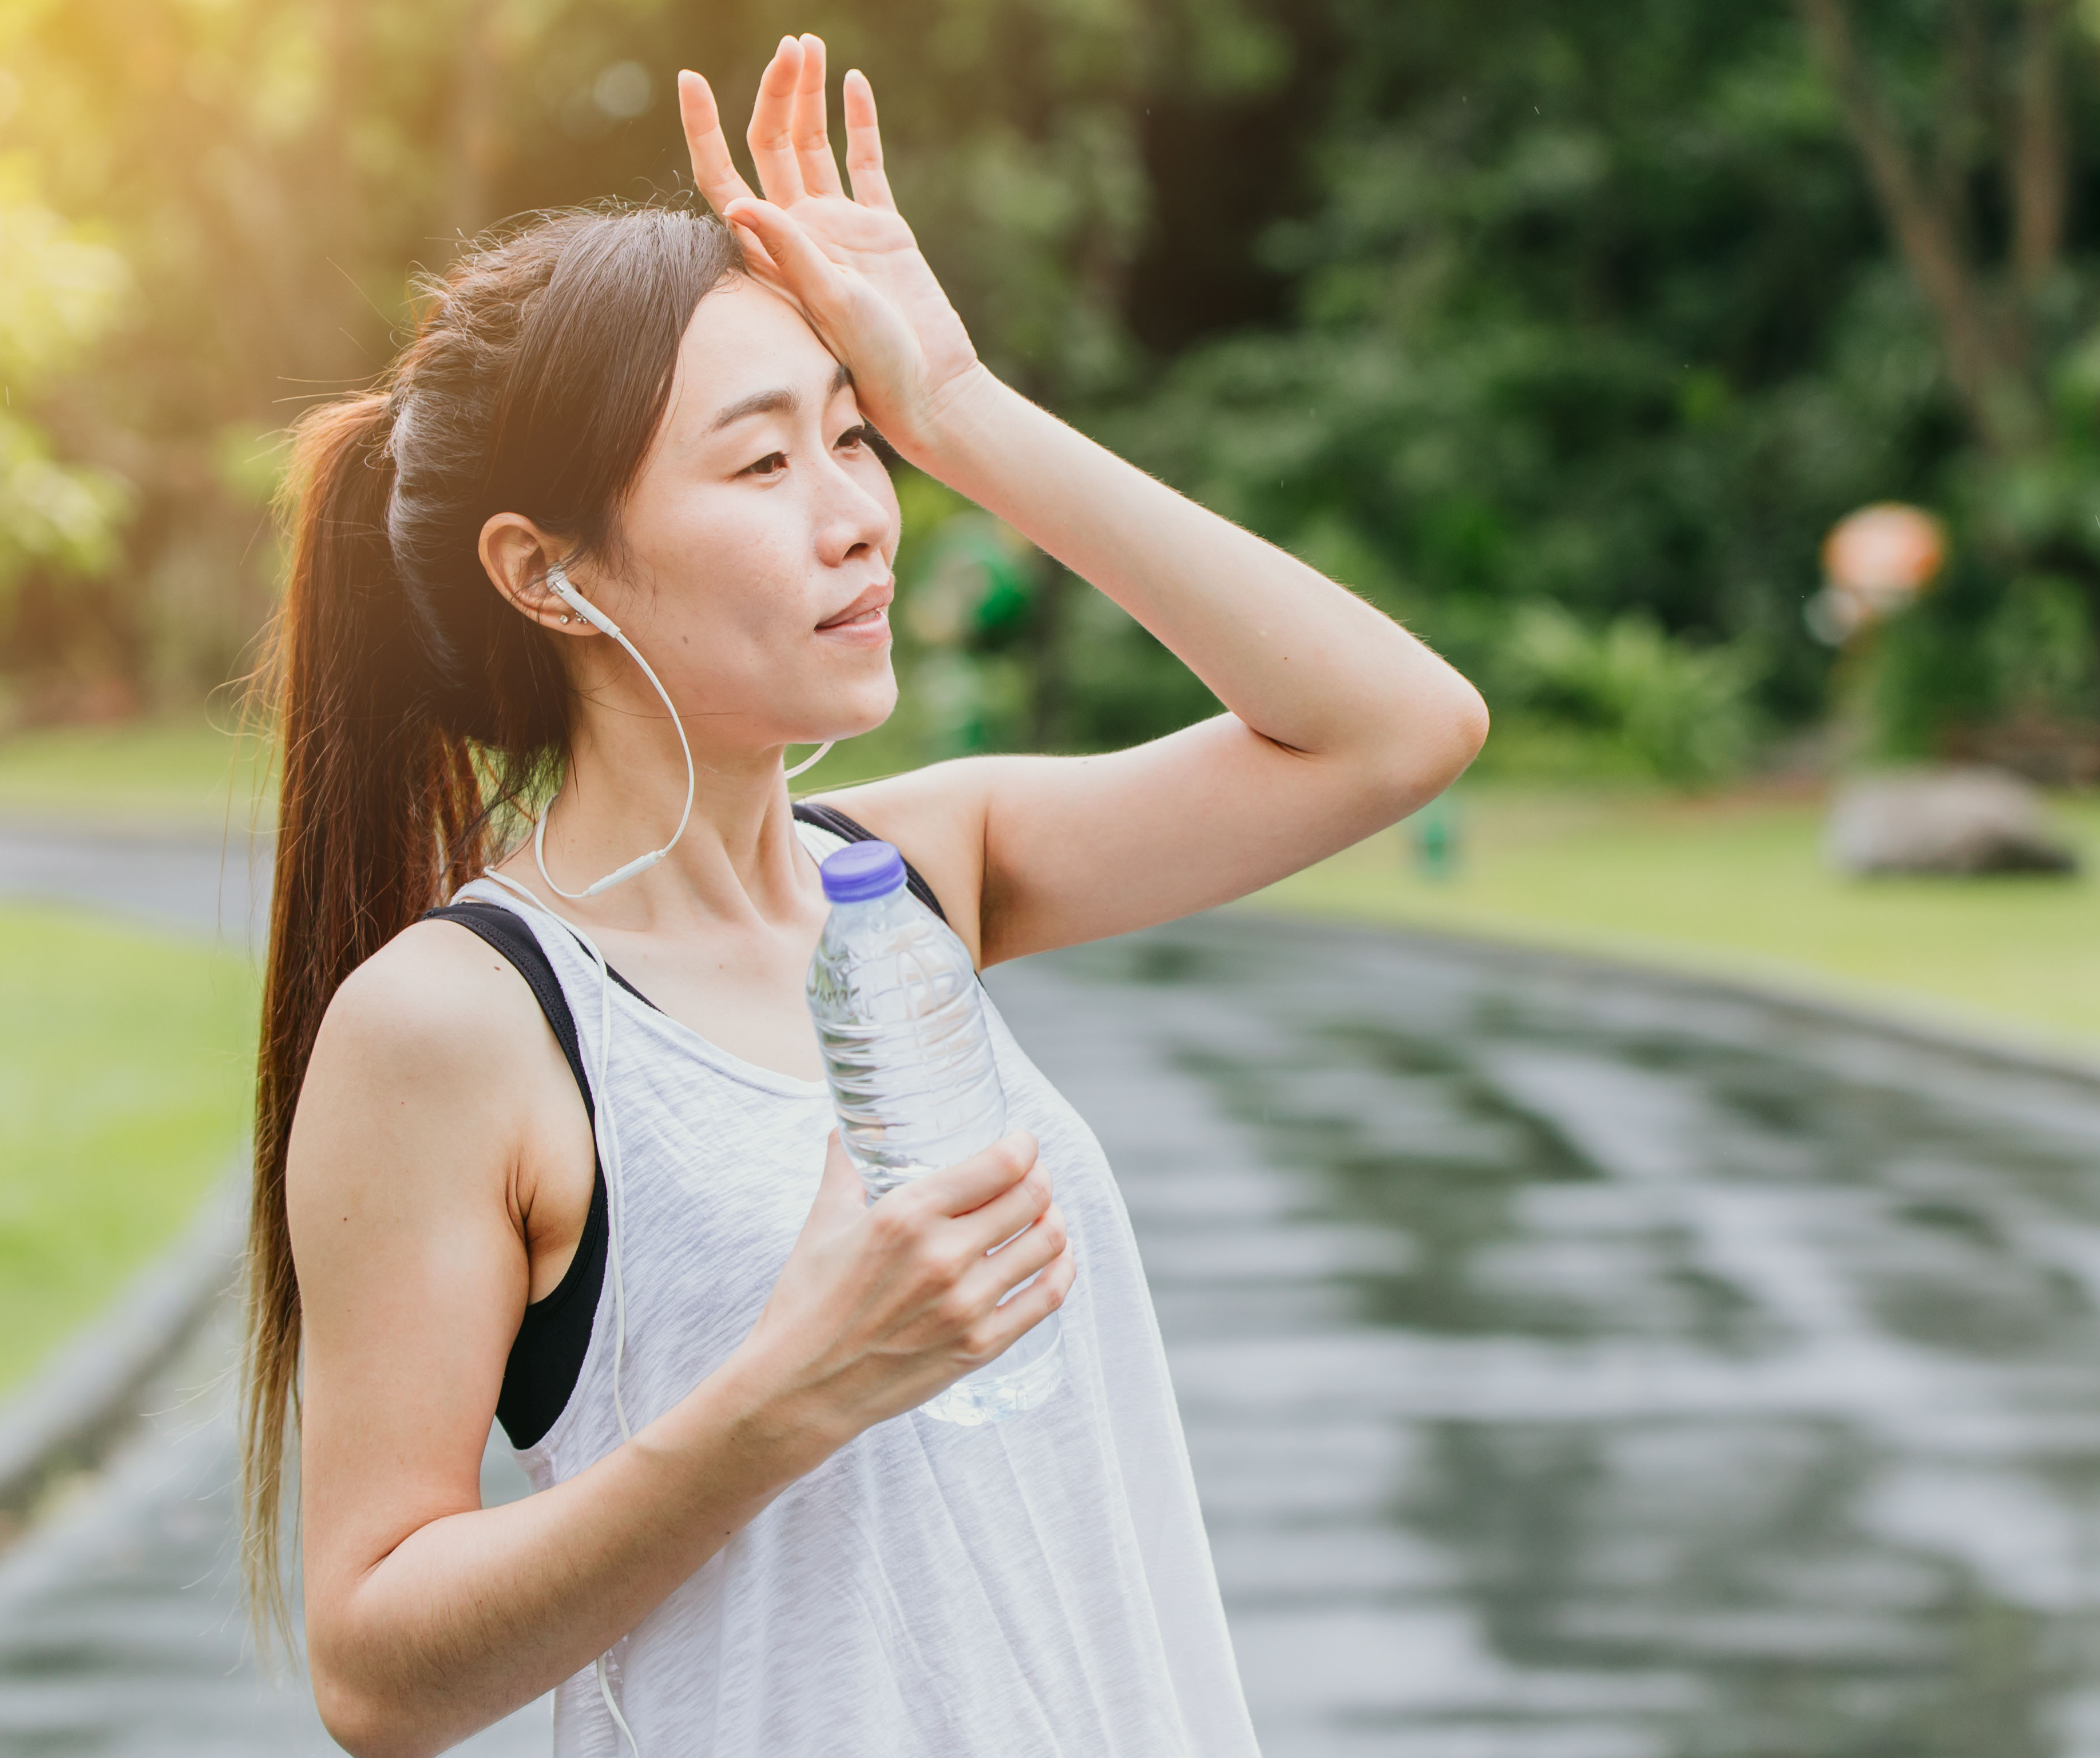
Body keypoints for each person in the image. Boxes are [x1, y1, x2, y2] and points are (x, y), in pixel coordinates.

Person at [240, 31, 1487, 1758]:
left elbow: (1398, 728)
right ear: (549, 573)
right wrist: (781, 1396)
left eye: (856, 441)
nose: (860, 520)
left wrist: (958, 407)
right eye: (762, 465)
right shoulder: (464, 1022)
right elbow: (374, 1664)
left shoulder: (917, 876)